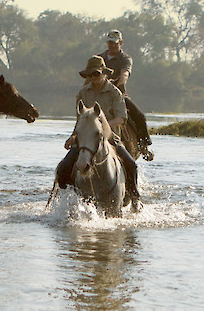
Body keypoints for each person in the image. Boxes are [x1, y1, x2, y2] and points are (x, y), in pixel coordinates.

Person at [56, 55, 141, 208]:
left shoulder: (114, 93)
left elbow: (121, 118)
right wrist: (73, 136)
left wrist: (101, 126)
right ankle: (65, 201)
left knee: (132, 165)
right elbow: (80, 121)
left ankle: (135, 198)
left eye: (96, 73)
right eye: (90, 75)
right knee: (63, 166)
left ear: (104, 73)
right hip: (85, 139)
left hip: (110, 137)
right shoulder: (83, 94)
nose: (93, 77)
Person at [96, 29, 152, 147]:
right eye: (110, 43)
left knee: (140, 117)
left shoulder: (125, 59)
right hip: (98, 95)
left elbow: (124, 74)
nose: (112, 45)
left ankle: (144, 145)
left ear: (120, 42)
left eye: (115, 43)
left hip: (119, 95)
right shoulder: (99, 58)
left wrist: (114, 83)